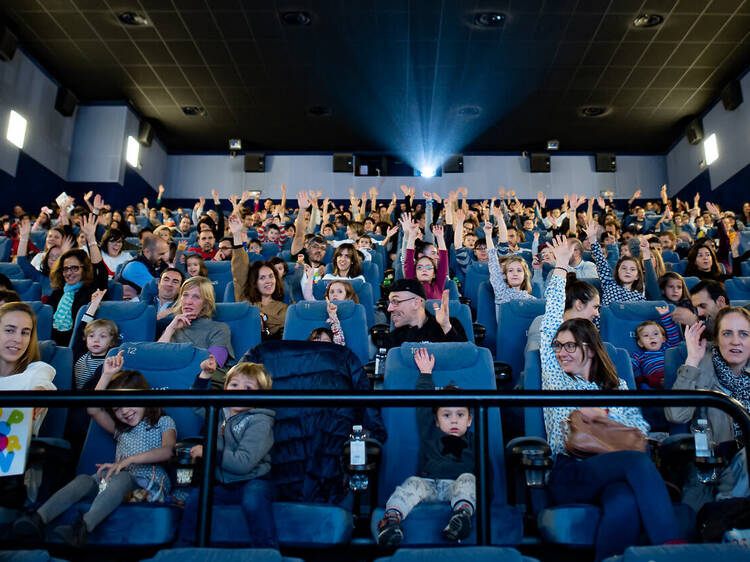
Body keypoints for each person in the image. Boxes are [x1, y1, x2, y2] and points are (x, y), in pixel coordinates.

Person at [540, 235, 681, 561]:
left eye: (570, 346)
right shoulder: (556, 377)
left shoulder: (613, 384)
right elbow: (550, 322)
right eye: (559, 347)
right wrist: (561, 266)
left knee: (626, 504)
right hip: (572, 471)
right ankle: (676, 553)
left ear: (589, 348)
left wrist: (606, 417)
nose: (561, 352)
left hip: (613, 468)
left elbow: (636, 428)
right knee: (635, 462)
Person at [12, 355, 176, 547]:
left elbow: (169, 451)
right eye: (116, 408)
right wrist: (106, 375)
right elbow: (93, 409)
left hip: (150, 485)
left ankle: (82, 529)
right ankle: (37, 519)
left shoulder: (163, 422)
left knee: (122, 477)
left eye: (128, 403)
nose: (124, 411)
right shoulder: (121, 430)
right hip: (116, 483)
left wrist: (129, 460)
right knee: (84, 480)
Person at [376, 347, 475, 547]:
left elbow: (485, 472)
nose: (454, 420)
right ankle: (392, 520)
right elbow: (423, 405)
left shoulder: (475, 440)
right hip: (429, 483)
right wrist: (425, 375)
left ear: (469, 420)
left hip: (456, 487)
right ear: (437, 420)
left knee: (469, 480)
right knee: (411, 484)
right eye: (447, 415)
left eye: (460, 415)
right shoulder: (431, 431)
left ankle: (461, 517)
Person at [177, 359, 277, 547]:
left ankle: (266, 549)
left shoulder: (260, 421)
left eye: (248, 388)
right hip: (223, 482)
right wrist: (205, 376)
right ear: (226, 387)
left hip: (253, 481)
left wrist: (208, 452)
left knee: (254, 502)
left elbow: (243, 463)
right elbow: (195, 403)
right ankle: (185, 547)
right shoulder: (219, 411)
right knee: (195, 500)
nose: (239, 391)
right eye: (234, 384)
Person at [666, 307, 750, 508]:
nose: (735, 341)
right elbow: (676, 415)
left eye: (744, 334)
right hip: (714, 464)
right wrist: (692, 361)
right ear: (717, 338)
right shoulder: (702, 366)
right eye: (727, 333)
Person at [47, 215, 109, 346]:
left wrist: (91, 239)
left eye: (74, 268)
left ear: (85, 269)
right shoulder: (58, 292)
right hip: (53, 345)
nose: (69, 273)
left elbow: (100, 270)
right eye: (65, 269)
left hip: (78, 347)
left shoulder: (91, 290)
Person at [158, 277, 233, 369]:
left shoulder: (220, 329)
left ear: (205, 303)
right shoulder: (173, 326)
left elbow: (211, 365)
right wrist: (170, 329)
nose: (188, 302)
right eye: (185, 295)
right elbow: (156, 358)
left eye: (196, 297)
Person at [585, 221, 661, 306]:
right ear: (617, 271)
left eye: (632, 269)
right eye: (624, 268)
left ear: (637, 276)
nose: (627, 271)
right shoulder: (609, 285)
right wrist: (592, 239)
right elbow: (601, 262)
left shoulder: (640, 297)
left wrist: (646, 252)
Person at [526, 274, 600, 354]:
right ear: (579, 305)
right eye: (595, 307)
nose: (597, 314)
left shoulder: (589, 329)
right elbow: (534, 358)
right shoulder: (541, 322)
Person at [383, 279, 467, 349]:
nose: (389, 309)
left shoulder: (451, 325)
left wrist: (446, 327)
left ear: (416, 303)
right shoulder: (393, 339)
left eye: (395, 302)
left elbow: (467, 358)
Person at [485, 220, 534, 318]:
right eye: (510, 270)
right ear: (505, 275)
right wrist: (488, 235)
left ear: (525, 275)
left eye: (519, 270)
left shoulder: (532, 300)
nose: (515, 273)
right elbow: (493, 262)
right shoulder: (501, 291)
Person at [631, 306, 682, 390]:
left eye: (655, 334)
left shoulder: (668, 348)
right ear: (640, 343)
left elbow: (673, 335)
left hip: (673, 374)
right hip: (655, 378)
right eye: (646, 335)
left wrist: (665, 316)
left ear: (663, 339)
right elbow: (629, 367)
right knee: (642, 381)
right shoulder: (639, 355)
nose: (651, 337)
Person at [403, 216, 448, 300]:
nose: (424, 270)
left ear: (434, 274)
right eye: (419, 267)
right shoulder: (411, 284)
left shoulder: (438, 286)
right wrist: (412, 236)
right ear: (415, 273)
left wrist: (440, 238)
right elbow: (408, 260)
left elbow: (443, 263)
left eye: (428, 267)